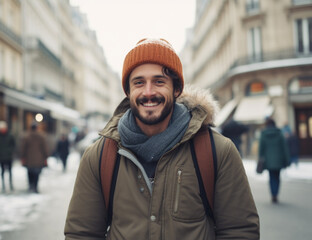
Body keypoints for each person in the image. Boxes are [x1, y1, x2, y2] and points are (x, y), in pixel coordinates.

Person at [64, 38, 259, 239]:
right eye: (139, 82)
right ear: (128, 91)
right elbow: (82, 234)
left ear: (176, 89)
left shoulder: (217, 151)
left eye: (159, 81)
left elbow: (239, 231)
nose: (148, 92)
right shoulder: (100, 157)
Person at [258, 117, 289, 203]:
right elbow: (284, 147)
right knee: (277, 177)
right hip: (279, 159)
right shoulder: (279, 133)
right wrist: (287, 159)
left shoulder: (263, 134)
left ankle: (273, 194)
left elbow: (261, 148)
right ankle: (276, 193)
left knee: (271, 177)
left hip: (268, 160)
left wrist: (260, 158)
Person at [21, 123, 48, 193]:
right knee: (36, 174)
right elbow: (44, 148)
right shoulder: (41, 137)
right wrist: (46, 156)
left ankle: (31, 186)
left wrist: (22, 156)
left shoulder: (27, 137)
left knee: (30, 173)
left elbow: (23, 148)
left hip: (29, 159)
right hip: (39, 159)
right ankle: (35, 187)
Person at [0, 121, 16, 192]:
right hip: (1, 157)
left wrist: (10, 151)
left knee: (10, 171)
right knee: (2, 171)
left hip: (8, 156)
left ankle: (11, 184)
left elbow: (13, 145)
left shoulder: (10, 135)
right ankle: (3, 185)